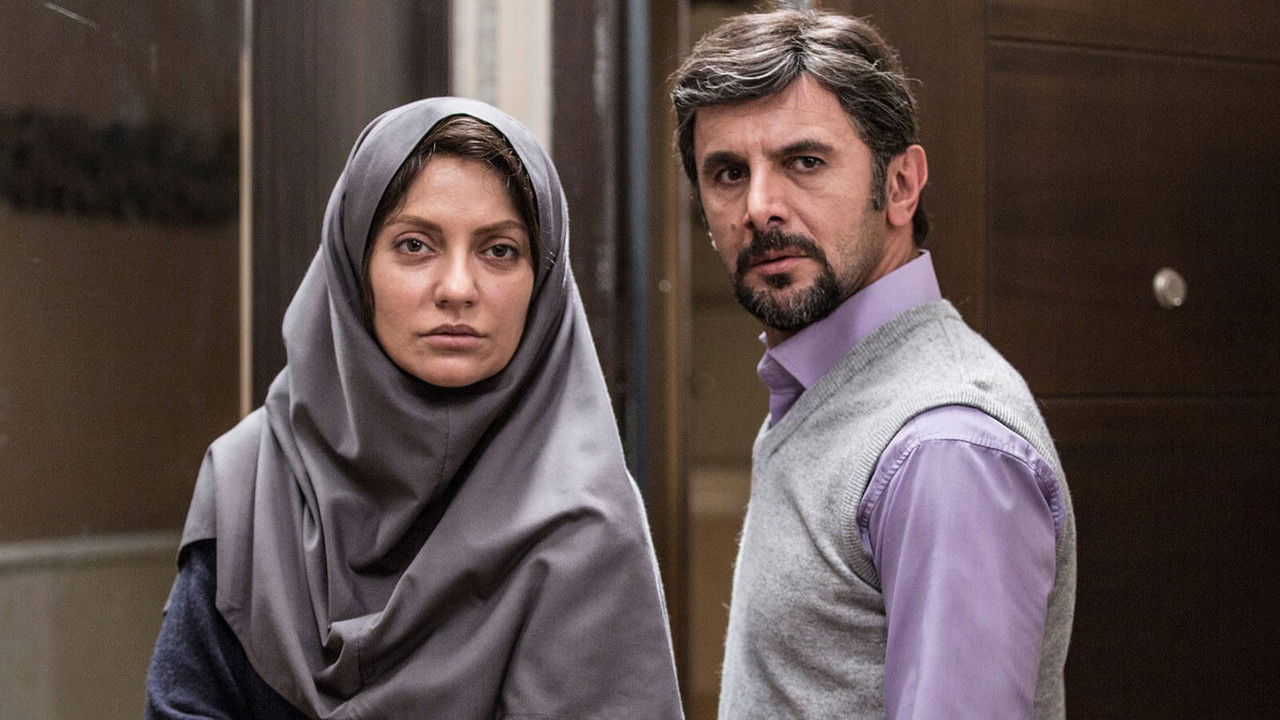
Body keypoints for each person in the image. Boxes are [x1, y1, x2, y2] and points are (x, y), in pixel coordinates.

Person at [144, 98, 684, 719]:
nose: (457, 289)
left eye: (499, 251)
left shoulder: (585, 520)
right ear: (355, 265)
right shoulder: (252, 480)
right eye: (415, 245)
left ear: (543, 278)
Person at [671, 9, 1075, 719]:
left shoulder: (943, 446)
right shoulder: (826, 387)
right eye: (729, 173)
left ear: (900, 185)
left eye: (804, 162)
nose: (759, 208)